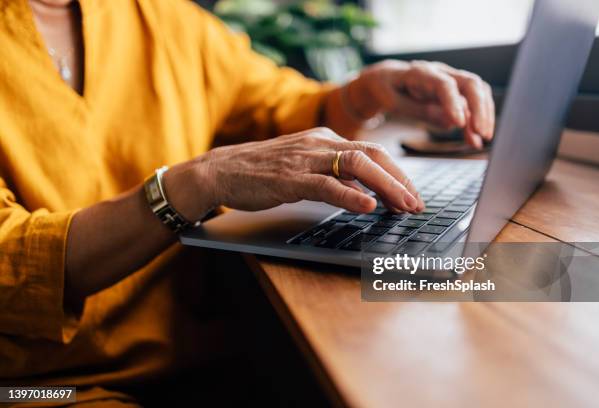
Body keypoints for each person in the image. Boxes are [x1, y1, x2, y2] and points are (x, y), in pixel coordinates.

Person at [0, 0, 495, 405]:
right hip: (45, 387)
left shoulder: (164, 18)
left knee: (455, 345)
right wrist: (196, 182)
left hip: (206, 350)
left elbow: (276, 107)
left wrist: (364, 95)